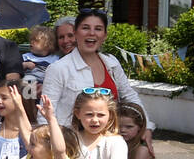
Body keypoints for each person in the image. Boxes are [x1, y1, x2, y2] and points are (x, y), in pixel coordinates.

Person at [42, 9, 154, 142]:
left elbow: (129, 95)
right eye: (85, 28)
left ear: (105, 35)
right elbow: (45, 113)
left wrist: (146, 126)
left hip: (111, 141)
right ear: (76, 33)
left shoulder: (111, 62)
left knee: (145, 153)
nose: (92, 33)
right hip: (74, 143)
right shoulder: (58, 69)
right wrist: (53, 146)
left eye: (98, 28)